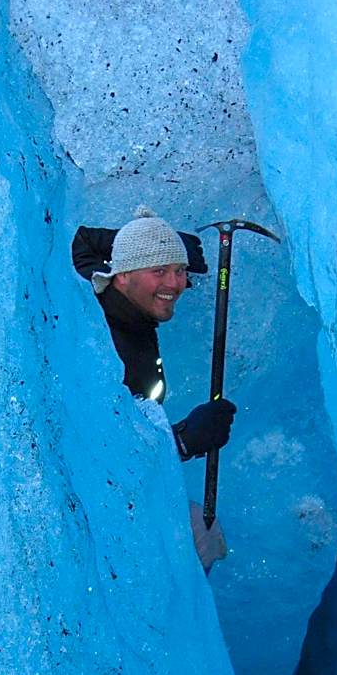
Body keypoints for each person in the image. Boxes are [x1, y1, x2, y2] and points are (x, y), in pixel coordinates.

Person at [72, 206, 235, 569]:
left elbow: (77, 239)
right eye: (158, 272)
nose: (176, 283)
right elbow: (101, 452)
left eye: (179, 271)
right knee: (201, 537)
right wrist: (183, 441)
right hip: (94, 510)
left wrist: (158, 246)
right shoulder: (106, 345)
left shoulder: (93, 291)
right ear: (122, 276)